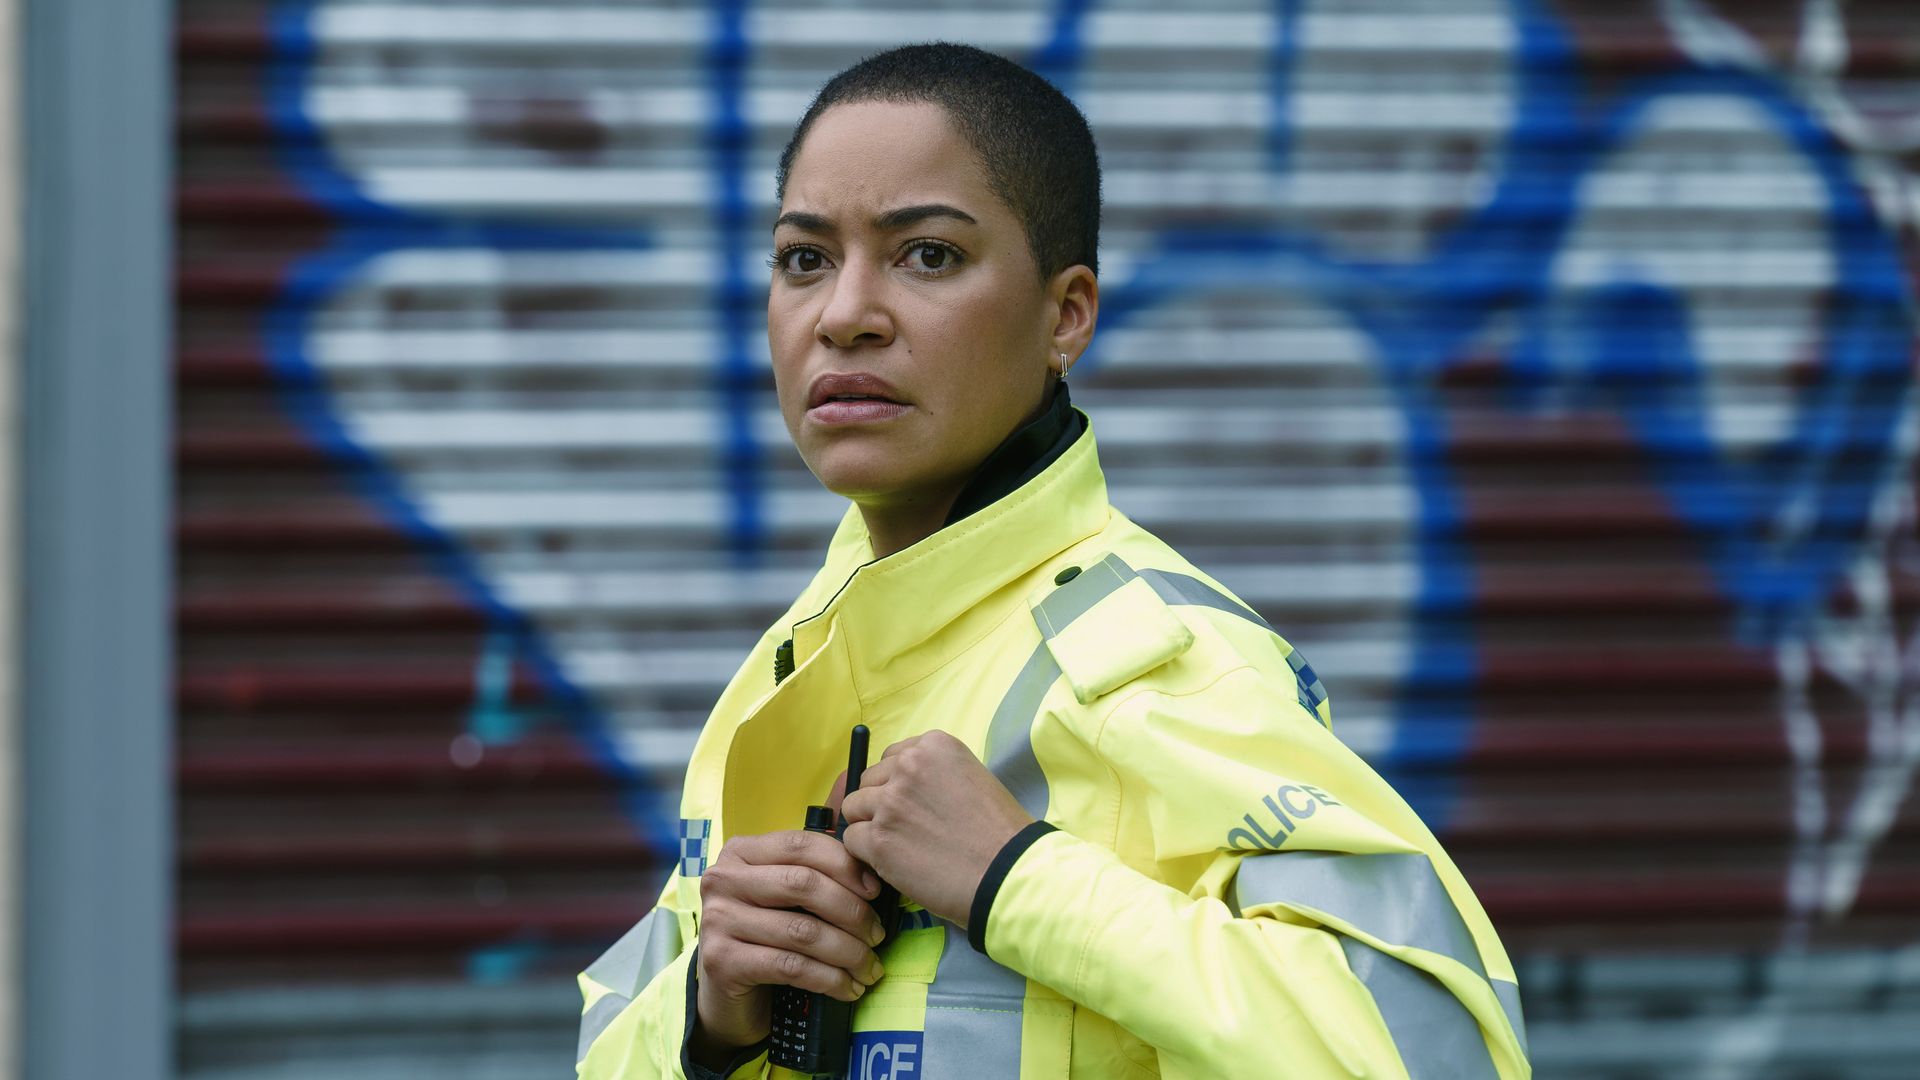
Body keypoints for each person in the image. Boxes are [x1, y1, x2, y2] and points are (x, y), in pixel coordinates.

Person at [575, 41, 1530, 1080]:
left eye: (927, 254)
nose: (844, 313)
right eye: (805, 258)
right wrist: (711, 1018)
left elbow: (1440, 1052)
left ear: (1065, 315)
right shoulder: (782, 676)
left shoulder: (1162, 662)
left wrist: (1017, 879)